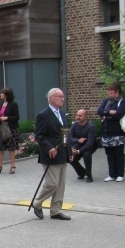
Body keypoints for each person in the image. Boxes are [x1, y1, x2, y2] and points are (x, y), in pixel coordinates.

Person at [32, 88, 72, 220]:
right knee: (52, 183)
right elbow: (40, 135)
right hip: (51, 155)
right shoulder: (44, 115)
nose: (62, 99)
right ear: (51, 98)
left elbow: (65, 134)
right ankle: (37, 203)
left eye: (63, 96)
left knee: (61, 184)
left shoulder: (62, 114)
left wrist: (69, 150)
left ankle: (55, 210)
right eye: (59, 96)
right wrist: (49, 147)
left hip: (62, 153)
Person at [97, 82, 125, 182]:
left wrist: (106, 116)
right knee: (109, 154)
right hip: (107, 132)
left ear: (117, 91)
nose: (110, 92)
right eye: (109, 90)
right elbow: (99, 111)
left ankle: (120, 174)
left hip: (118, 133)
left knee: (118, 154)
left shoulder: (122, 101)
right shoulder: (107, 101)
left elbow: (119, 114)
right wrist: (109, 112)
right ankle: (112, 174)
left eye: (112, 90)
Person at [0, 87, 20, 174]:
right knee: (0, 147)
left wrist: (7, 117)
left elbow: (17, 117)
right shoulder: (0, 105)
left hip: (10, 128)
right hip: (1, 128)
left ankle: (12, 166)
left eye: (2, 93)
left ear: (7, 95)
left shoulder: (13, 104)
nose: (0, 94)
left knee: (11, 148)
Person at [69, 109, 97, 183]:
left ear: (85, 117)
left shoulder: (90, 127)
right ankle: (82, 173)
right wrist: (78, 140)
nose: (78, 117)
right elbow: (70, 138)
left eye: (80, 116)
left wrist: (78, 151)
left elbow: (90, 143)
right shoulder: (74, 125)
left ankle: (89, 175)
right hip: (79, 144)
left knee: (86, 155)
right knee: (70, 157)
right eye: (77, 115)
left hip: (91, 145)